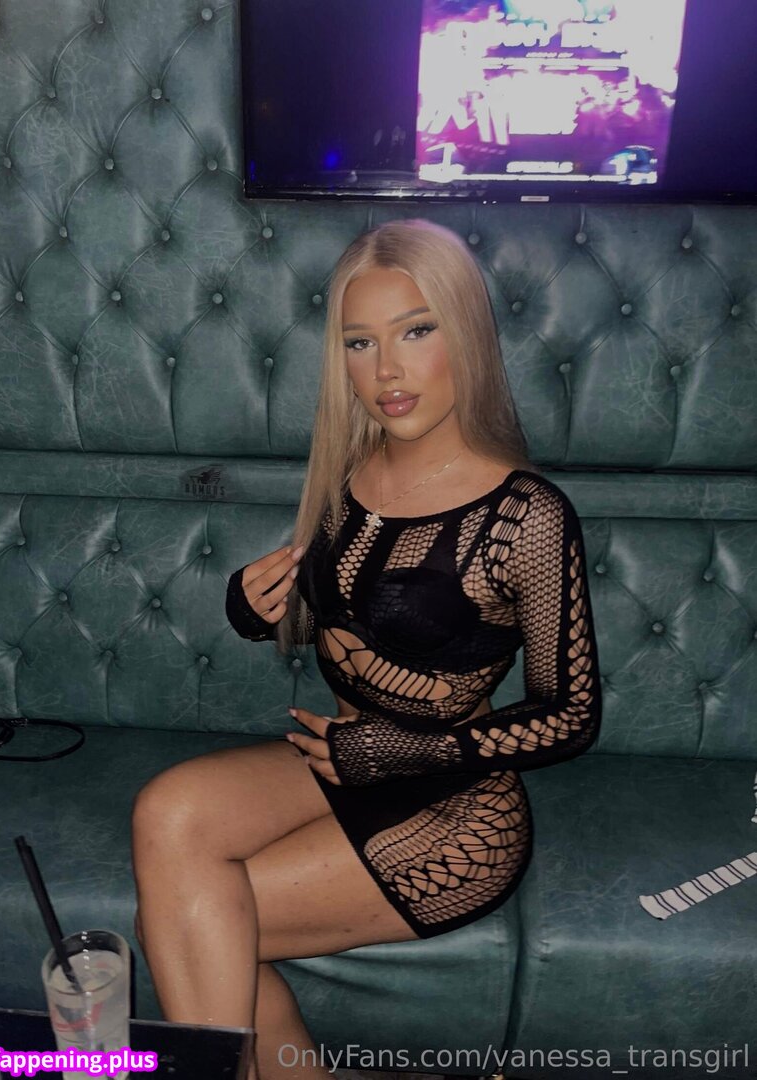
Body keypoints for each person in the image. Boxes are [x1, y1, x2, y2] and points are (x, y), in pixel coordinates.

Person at [131, 218, 602, 1080]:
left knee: (194, 929)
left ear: (466, 335)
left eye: (416, 331)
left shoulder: (527, 515)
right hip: (343, 760)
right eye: (360, 342)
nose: (386, 370)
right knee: (169, 813)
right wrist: (256, 609)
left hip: (454, 813)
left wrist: (407, 750)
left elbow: (572, 716)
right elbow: (345, 617)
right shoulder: (350, 473)